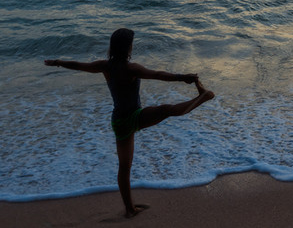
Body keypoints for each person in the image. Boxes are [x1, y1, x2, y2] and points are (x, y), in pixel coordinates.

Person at [44, 27, 214, 218]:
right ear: (127, 47)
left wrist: (57, 62)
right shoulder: (131, 68)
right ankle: (204, 97)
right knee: (167, 110)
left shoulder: (105, 66)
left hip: (118, 121)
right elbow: (158, 74)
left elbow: (79, 65)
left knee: (124, 167)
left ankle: (129, 209)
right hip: (134, 116)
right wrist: (183, 78)